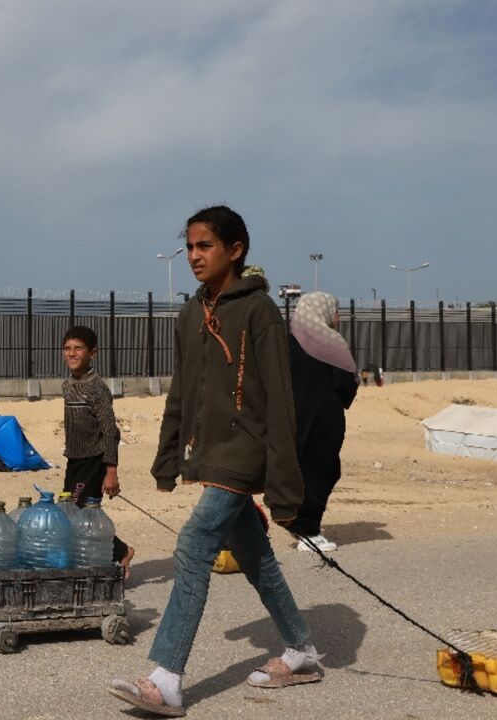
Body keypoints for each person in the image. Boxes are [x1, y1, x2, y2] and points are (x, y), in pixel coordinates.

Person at [110, 206, 320, 717]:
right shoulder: (190, 314)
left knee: (194, 544)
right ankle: (302, 652)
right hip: (210, 454)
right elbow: (182, 391)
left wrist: (286, 491)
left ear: (235, 250)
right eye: (190, 247)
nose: (194, 256)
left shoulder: (260, 311)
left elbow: (280, 401)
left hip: (246, 452)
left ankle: (166, 679)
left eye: (205, 246)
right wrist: (167, 459)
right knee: (255, 556)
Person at [286, 292, 359, 552]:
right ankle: (308, 530)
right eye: (335, 312)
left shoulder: (288, 340)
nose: (337, 318)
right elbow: (345, 384)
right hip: (323, 419)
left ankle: (296, 520)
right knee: (322, 470)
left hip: (291, 417)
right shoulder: (330, 342)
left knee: (298, 469)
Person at [61, 325, 135, 577]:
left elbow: (110, 430)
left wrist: (111, 471)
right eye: (68, 348)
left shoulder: (97, 388)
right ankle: (102, 557)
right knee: (68, 512)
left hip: (94, 461)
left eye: (78, 348)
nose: (72, 353)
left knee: (81, 515)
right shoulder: (68, 384)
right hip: (74, 461)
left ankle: (121, 552)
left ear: (93, 353)